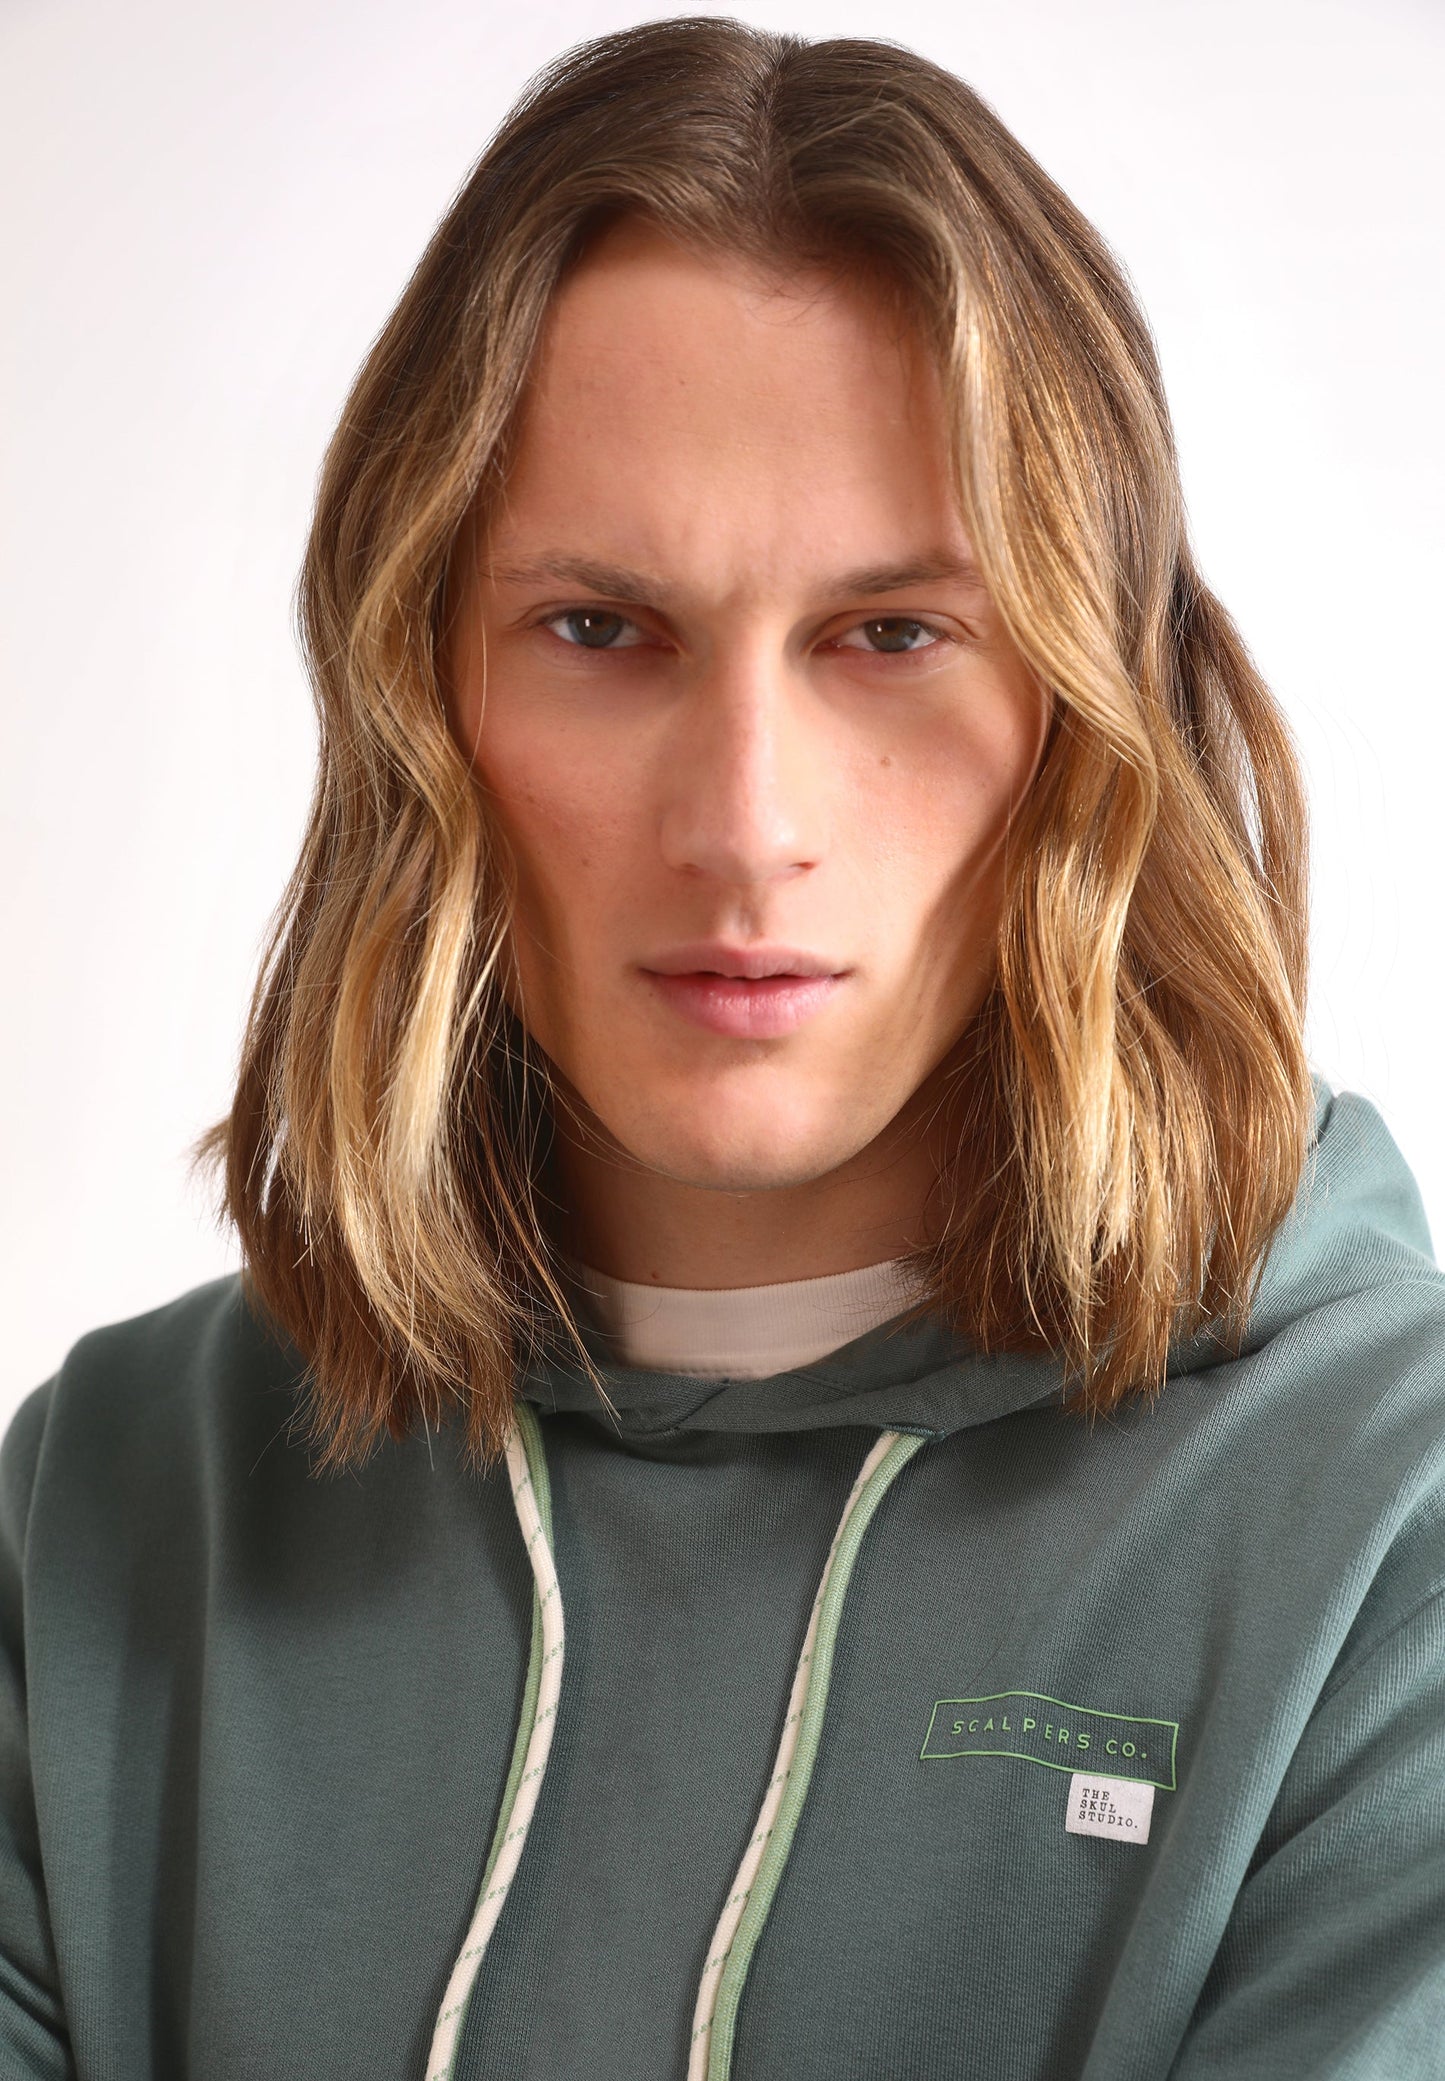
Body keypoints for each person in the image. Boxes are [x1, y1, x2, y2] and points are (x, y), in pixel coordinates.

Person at [3, 15, 1443, 2079]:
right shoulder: (110, 1506)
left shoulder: (1389, 1528)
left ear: (1085, 715)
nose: (746, 821)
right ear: (419, 697)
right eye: (600, 631)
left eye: (893, 634)